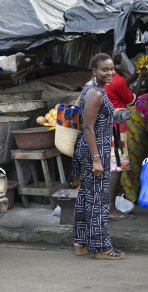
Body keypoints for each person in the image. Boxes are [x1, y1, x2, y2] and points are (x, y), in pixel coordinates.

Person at [72, 53, 125, 259]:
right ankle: (101, 247)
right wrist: (96, 159)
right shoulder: (96, 93)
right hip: (95, 151)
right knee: (99, 201)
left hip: (89, 149)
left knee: (86, 197)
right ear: (94, 71)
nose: (110, 72)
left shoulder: (91, 88)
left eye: (112, 69)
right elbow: (88, 127)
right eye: (105, 69)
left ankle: (81, 243)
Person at [104, 54, 147, 220]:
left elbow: (120, 87)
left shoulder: (100, 79)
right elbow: (131, 100)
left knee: (111, 167)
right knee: (117, 168)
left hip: (105, 127)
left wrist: (137, 75)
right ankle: (110, 209)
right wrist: (141, 77)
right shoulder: (118, 81)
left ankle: (107, 205)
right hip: (117, 128)